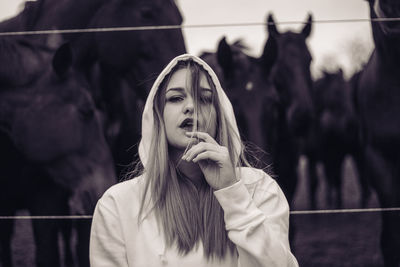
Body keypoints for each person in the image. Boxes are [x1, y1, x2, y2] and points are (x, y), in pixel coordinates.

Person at [89, 54, 298, 267]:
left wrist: (232, 192)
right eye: (176, 98)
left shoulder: (259, 189)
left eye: (205, 99)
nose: (190, 106)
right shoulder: (118, 204)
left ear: (219, 116)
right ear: (157, 115)